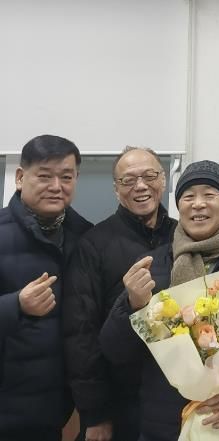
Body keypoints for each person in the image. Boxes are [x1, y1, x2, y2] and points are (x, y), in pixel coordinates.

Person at [100, 160, 219, 441]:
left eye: (209, 195)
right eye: (188, 196)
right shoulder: (151, 265)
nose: (198, 204)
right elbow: (115, 351)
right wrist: (133, 305)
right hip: (162, 423)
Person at [63, 147, 177, 441]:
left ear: (163, 180)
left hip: (173, 401)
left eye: (149, 176)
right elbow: (80, 334)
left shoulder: (182, 237)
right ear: (116, 189)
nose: (140, 186)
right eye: (128, 180)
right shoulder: (94, 244)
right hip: (117, 402)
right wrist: (95, 413)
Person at [0, 135, 92, 441]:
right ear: (19, 177)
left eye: (66, 177)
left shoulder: (86, 237)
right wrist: (16, 304)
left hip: (56, 410)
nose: (56, 186)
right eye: (44, 176)